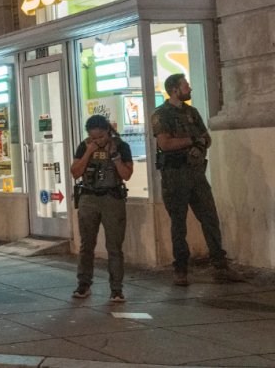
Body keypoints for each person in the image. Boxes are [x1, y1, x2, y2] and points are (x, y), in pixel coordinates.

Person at [151, 73, 244, 286]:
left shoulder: (191, 112)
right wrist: (193, 141)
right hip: (175, 175)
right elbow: (165, 144)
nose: (189, 88)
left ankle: (220, 266)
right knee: (179, 223)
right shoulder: (161, 114)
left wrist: (200, 145)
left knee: (210, 217)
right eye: (185, 85)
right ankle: (181, 269)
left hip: (196, 173)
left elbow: (206, 137)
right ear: (175, 89)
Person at [70, 115, 133, 302]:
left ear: (108, 131)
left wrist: (115, 158)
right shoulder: (85, 145)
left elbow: (127, 175)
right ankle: (84, 284)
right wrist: (89, 151)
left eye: (100, 137)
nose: (97, 141)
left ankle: (116, 289)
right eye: (93, 137)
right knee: (86, 244)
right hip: (89, 197)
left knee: (114, 246)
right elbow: (75, 172)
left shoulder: (121, 146)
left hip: (112, 198)